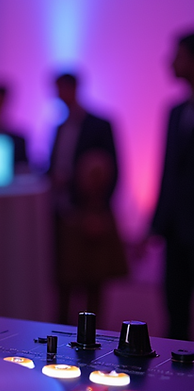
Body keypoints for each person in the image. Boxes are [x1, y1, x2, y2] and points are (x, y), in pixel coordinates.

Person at [47, 72, 128, 325]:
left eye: (62, 89)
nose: (59, 95)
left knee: (94, 279)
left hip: (90, 212)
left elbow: (114, 168)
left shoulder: (100, 124)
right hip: (64, 211)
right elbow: (52, 166)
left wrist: (101, 210)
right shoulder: (59, 127)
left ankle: (93, 335)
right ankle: (60, 333)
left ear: (73, 89)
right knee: (64, 280)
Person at [149, 31, 194, 340]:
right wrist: (154, 226)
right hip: (177, 231)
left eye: (178, 55)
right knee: (174, 311)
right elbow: (167, 175)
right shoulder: (175, 111)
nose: (170, 61)